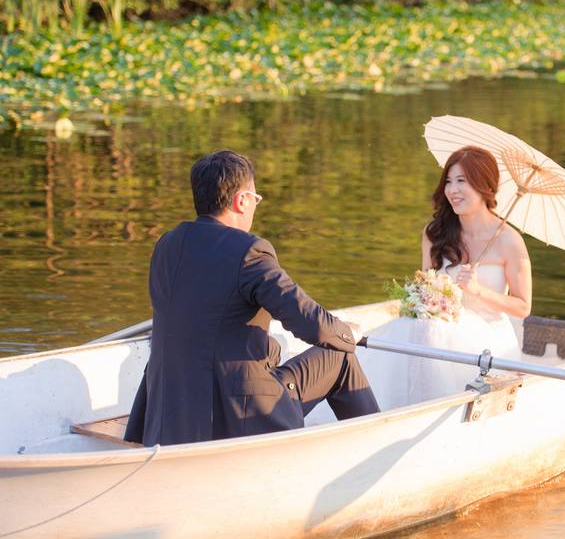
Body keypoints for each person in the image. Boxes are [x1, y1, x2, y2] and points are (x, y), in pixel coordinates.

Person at [124, 150, 379, 445]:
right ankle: (376, 453)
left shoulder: (166, 245)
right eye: (256, 199)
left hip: (170, 414)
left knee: (272, 353)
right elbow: (311, 324)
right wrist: (348, 333)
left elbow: (210, 322)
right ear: (241, 200)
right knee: (340, 355)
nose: (255, 207)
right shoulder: (249, 251)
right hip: (235, 416)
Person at [360, 146, 532, 409]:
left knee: (428, 331)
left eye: (462, 181)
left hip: (488, 341)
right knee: (415, 327)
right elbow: (425, 287)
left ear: (484, 186)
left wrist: (477, 290)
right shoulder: (435, 233)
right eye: (449, 182)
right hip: (435, 331)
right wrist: (423, 302)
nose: (452, 190)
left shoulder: (509, 241)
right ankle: (388, 408)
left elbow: (522, 307)